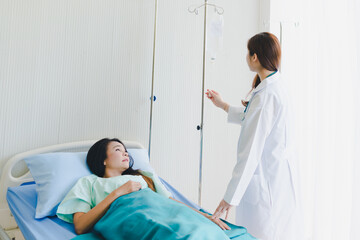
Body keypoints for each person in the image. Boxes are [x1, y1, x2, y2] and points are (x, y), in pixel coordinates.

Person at [206, 32, 303, 240]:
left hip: (267, 185)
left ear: (255, 57)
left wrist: (228, 199)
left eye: (247, 53)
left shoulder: (266, 96)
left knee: (264, 233)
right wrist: (222, 105)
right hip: (277, 181)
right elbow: (253, 118)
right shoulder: (276, 86)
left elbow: (250, 153)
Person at [56, 138, 230, 236]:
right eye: (118, 150)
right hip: (132, 218)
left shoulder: (143, 177)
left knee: (202, 230)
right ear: (103, 159)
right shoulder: (89, 183)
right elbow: (80, 226)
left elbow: (171, 204)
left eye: (126, 151)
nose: (125, 153)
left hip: (166, 214)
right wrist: (118, 193)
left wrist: (206, 216)